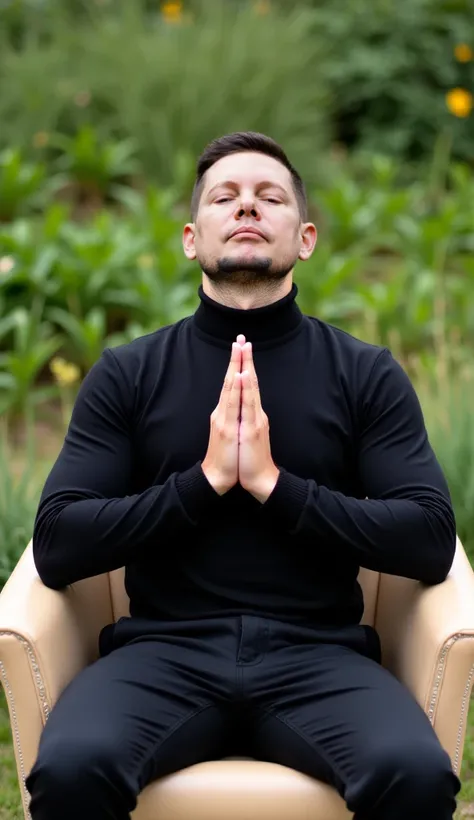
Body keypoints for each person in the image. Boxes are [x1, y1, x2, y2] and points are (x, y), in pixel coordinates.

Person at [26, 131, 460, 819]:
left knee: (413, 773)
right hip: (163, 652)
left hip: (319, 655)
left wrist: (274, 487)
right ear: (193, 239)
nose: (248, 208)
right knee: (73, 769)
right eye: (226, 198)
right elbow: (57, 542)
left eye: (270, 197)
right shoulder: (129, 374)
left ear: (306, 237)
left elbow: (430, 536)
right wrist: (202, 483)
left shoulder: (363, 373)